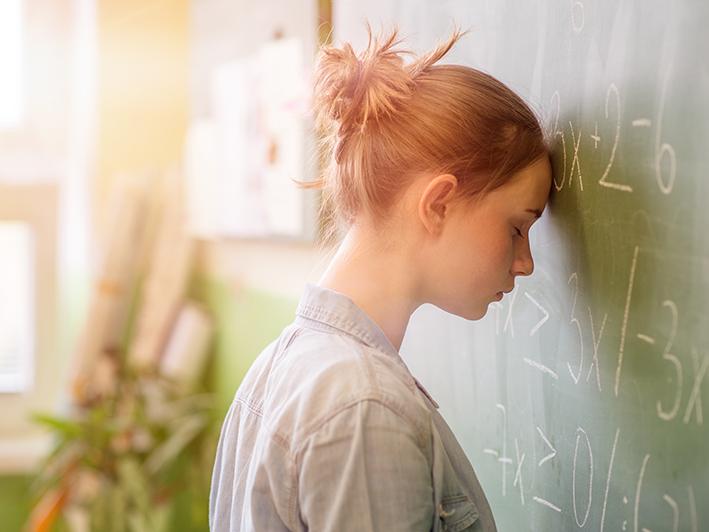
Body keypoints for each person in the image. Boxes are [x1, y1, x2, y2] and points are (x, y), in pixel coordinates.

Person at [210, 25, 552, 532]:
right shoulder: (364, 408)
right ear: (438, 204)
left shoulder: (279, 365)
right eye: (517, 227)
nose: (525, 262)